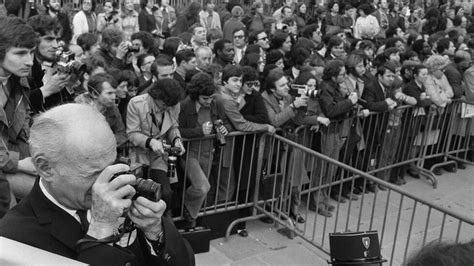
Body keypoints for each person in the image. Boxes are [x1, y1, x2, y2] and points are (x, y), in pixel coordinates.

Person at [0, 103, 195, 265]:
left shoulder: (124, 197)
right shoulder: (12, 239)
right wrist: (101, 229)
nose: (109, 182)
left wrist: (155, 231)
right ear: (45, 167)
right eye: (92, 173)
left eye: (112, 165)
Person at [126, 78, 186, 214]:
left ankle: (164, 227)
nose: (167, 108)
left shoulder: (174, 105)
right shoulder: (136, 104)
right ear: (155, 96)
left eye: (171, 106)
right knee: (141, 197)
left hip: (160, 157)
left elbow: (173, 127)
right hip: (139, 157)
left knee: (166, 194)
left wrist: (177, 139)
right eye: (164, 104)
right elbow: (132, 133)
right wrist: (150, 142)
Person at [0, 16, 37, 217]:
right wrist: (21, 164)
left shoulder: (18, 78)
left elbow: (23, 124)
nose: (30, 61)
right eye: (20, 53)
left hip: (12, 157)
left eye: (31, 52)